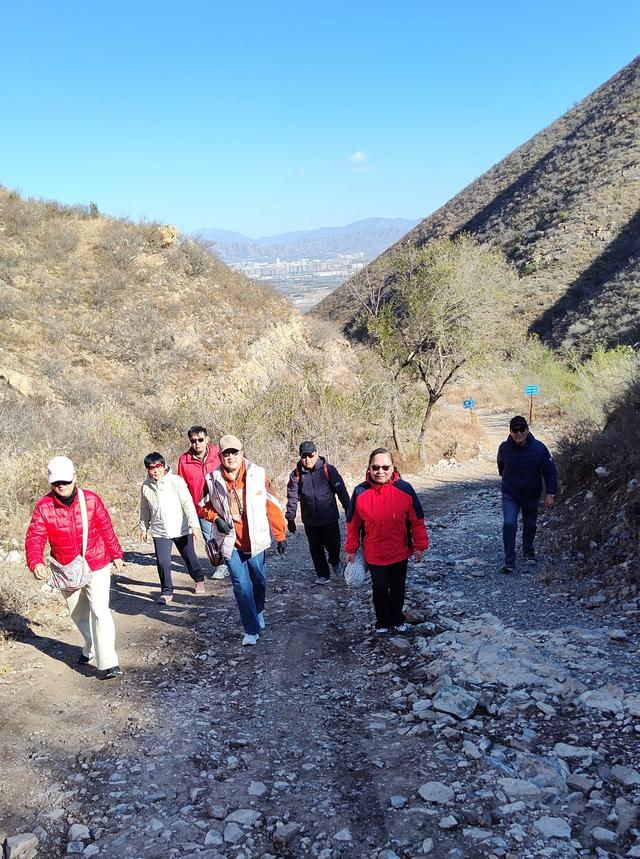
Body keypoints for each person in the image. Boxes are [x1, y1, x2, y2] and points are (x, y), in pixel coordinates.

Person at [25, 456, 124, 679]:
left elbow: (106, 528)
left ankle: (108, 662)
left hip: (96, 562)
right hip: (66, 568)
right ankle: (90, 645)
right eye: (56, 482)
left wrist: (116, 553)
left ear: (74, 478)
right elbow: (35, 536)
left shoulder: (91, 500)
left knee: (100, 611)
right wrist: (36, 561)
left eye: (65, 481)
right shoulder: (44, 507)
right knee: (79, 615)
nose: (61, 486)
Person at [201, 434, 287, 646]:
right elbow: (203, 505)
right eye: (226, 453)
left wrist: (280, 534)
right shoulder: (212, 479)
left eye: (234, 452)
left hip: (255, 539)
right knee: (240, 585)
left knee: (259, 580)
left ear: (242, 453)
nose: (230, 457)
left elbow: (272, 505)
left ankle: (258, 611)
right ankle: (250, 629)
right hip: (231, 541)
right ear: (220, 456)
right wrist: (216, 519)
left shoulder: (258, 474)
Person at [345, 447, 428, 637]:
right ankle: (382, 622)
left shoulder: (405, 489)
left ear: (393, 468)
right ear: (369, 468)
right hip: (374, 553)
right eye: (375, 467)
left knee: (398, 588)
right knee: (380, 589)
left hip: (400, 551)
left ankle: (398, 620)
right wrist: (351, 548)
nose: (380, 471)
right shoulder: (360, 491)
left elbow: (417, 519)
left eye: (385, 467)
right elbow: (353, 524)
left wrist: (420, 545)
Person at [139, 452, 206, 604]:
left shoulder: (176, 481)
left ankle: (199, 579)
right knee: (163, 562)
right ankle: (167, 592)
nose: (156, 470)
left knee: (189, 557)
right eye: (152, 467)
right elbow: (144, 510)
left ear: (163, 466)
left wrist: (194, 525)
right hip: (160, 531)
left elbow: (187, 503)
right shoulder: (146, 486)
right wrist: (144, 528)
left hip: (180, 528)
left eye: (158, 466)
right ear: (147, 469)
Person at [497, 415, 557, 574]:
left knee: (530, 525)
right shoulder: (503, 448)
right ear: (510, 432)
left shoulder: (539, 448)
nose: (518, 433)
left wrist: (550, 494)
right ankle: (509, 561)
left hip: (531, 494)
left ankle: (528, 552)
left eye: (521, 429)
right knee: (509, 524)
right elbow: (501, 469)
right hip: (510, 494)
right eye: (515, 430)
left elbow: (550, 472)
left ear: (527, 430)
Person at [285, 440, 350, 585]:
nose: (307, 459)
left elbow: (341, 491)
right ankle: (323, 575)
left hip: (329, 518)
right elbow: (292, 496)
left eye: (310, 455)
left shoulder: (328, 470)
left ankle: (334, 561)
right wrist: (290, 518)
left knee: (334, 546)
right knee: (316, 549)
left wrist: (349, 510)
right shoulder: (296, 475)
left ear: (316, 454)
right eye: (304, 456)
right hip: (310, 521)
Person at [177, 424, 227, 579]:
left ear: (207, 439)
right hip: (201, 506)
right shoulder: (184, 460)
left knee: (228, 533)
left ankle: (235, 562)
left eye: (200, 439)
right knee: (210, 537)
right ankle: (221, 566)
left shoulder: (219, 454)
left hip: (222, 502)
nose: (197, 443)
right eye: (193, 441)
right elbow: (181, 486)